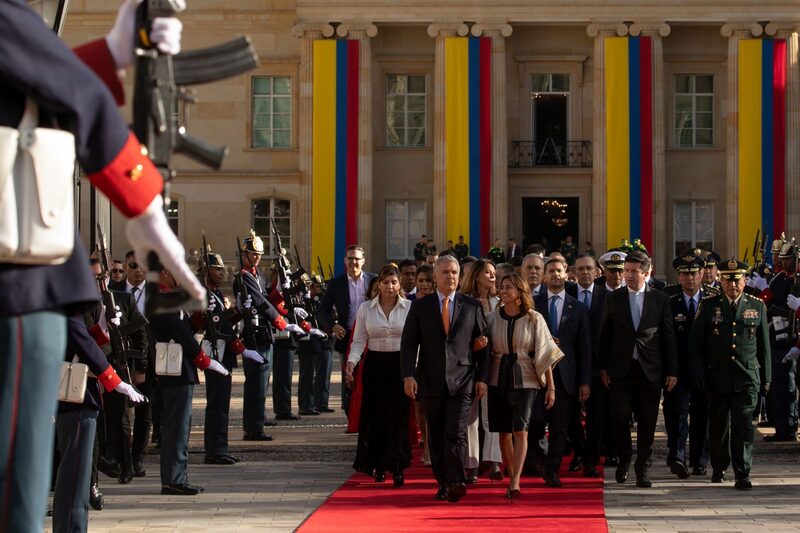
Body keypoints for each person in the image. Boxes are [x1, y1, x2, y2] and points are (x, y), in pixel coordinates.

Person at [0, 3, 200, 529]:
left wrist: (113, 51)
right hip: (17, 287)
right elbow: (72, 92)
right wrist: (142, 199)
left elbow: (41, 86)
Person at [401, 256, 490, 503]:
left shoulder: (472, 306)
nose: (450, 276)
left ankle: (457, 480)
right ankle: (444, 483)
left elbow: (484, 346)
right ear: (436, 276)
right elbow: (409, 344)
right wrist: (408, 375)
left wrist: (482, 378)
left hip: (463, 380)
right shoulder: (421, 306)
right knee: (438, 435)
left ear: (459, 277)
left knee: (456, 433)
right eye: (445, 272)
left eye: (454, 272)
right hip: (430, 380)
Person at [53, 312, 145, 533]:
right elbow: (81, 342)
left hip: (81, 395)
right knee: (75, 477)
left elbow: (83, 338)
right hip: (77, 396)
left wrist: (102, 329)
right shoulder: (68, 299)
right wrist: (115, 381)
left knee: (77, 475)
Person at [599, 251, 678, 488]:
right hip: (620, 369)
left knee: (647, 421)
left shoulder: (660, 299)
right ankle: (624, 458)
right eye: (627, 271)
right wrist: (602, 367)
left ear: (647, 272)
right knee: (620, 416)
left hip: (650, 370)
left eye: (634, 271)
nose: (629, 276)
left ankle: (643, 467)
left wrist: (672, 370)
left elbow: (668, 337)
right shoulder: (614, 298)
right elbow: (605, 335)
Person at [149, 263, 229, 495]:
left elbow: (188, 327)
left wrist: (201, 315)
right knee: (176, 426)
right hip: (175, 370)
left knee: (180, 426)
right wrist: (204, 359)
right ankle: (174, 479)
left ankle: (177, 476)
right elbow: (180, 333)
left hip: (180, 369)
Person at [689, 259, 771, 489]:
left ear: (744, 280)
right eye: (728, 279)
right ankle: (719, 466)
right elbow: (696, 345)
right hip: (717, 377)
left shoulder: (757, 306)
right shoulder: (708, 306)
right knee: (719, 427)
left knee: (744, 426)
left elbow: (764, 346)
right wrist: (698, 374)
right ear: (720, 280)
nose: (733, 284)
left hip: (747, 377)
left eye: (737, 279)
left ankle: (742, 472)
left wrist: (767, 379)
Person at [487, 274, 562, 498]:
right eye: (502, 287)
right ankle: (512, 475)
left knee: (521, 430)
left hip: (527, 377)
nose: (503, 291)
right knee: (503, 433)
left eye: (508, 287)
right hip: (497, 377)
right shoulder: (491, 318)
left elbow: (545, 353)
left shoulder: (534, 318)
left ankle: (516, 482)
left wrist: (551, 387)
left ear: (520, 292)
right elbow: (482, 350)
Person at [233, 231, 305, 441]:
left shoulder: (256, 275)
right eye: (252, 254)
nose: (256, 257)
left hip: (264, 334)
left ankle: (258, 420)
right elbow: (261, 304)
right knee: (256, 382)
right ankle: (253, 428)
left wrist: (280, 290)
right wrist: (283, 323)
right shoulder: (243, 277)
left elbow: (268, 297)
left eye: (259, 254)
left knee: (262, 382)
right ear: (244, 253)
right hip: (254, 334)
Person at [344, 265, 412, 486]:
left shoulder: (409, 307)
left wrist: (415, 368)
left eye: (394, 282)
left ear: (399, 284)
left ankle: (398, 466)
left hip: (400, 366)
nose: (389, 287)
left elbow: (415, 342)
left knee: (398, 417)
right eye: (385, 283)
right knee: (376, 417)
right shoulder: (366, 309)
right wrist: (351, 364)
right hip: (375, 365)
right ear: (378, 285)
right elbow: (359, 341)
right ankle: (379, 466)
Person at [529, 257, 591, 487]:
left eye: (559, 271)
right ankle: (538, 461)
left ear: (567, 274)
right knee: (535, 422)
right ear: (544, 276)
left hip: (567, 377)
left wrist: (585, 381)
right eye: (551, 271)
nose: (555, 275)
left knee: (560, 427)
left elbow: (584, 347)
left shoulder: (578, 307)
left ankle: (553, 470)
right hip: (538, 375)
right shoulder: (533, 304)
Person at [664, 253, 710, 479]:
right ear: (679, 277)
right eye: (685, 274)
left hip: (704, 370)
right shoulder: (670, 302)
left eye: (694, 273)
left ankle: (700, 460)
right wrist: (670, 370)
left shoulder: (711, 301)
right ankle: (677, 456)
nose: (690, 278)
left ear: (702, 274)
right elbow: (667, 340)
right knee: (677, 414)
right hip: (678, 369)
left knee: (702, 415)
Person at [316, 245, 377, 416]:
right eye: (350, 259)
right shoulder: (337, 284)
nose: (354, 262)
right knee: (349, 377)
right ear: (345, 261)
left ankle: (369, 414)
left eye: (357, 259)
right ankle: (351, 416)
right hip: (348, 336)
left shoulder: (374, 280)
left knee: (370, 375)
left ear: (363, 261)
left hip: (372, 336)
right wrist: (333, 325)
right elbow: (322, 310)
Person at [459, 259, 503, 482]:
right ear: (476, 276)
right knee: (471, 417)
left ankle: (495, 462)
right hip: (470, 364)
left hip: (496, 363)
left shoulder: (499, 302)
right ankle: (472, 464)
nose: (492, 276)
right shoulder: (464, 302)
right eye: (488, 272)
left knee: (493, 415)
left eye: (494, 272)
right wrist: (472, 346)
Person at [574, 254, 613, 476]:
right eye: (580, 269)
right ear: (575, 272)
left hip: (598, 368)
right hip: (571, 365)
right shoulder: (567, 294)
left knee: (596, 418)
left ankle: (590, 460)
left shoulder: (608, 297)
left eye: (589, 269)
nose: (585, 273)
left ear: (597, 272)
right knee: (570, 417)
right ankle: (581, 451)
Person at [758, 241, 798, 442]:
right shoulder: (780, 278)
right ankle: (782, 425)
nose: (783, 262)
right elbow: (770, 303)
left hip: (795, 338)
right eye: (782, 258)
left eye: (787, 259)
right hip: (779, 336)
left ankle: (789, 426)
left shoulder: (796, 280)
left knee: (789, 387)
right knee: (779, 385)